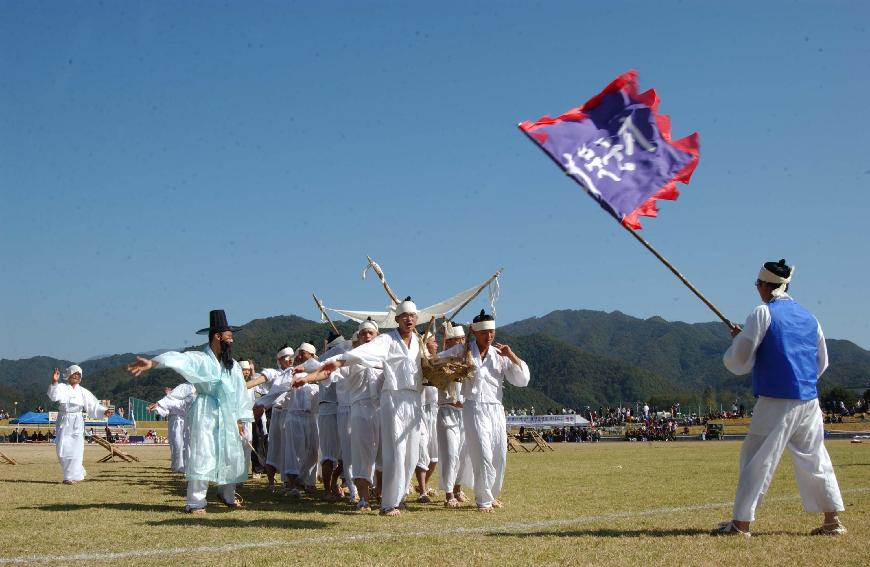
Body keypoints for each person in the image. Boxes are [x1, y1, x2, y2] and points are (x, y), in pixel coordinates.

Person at [712, 260, 846, 537]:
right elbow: (821, 362)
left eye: (757, 284)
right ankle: (832, 521)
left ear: (763, 285)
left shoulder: (762, 313)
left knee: (757, 459)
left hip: (776, 399)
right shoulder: (811, 318)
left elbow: (739, 361)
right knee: (815, 458)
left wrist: (738, 340)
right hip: (808, 399)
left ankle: (741, 525)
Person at [301, 297, 424, 516]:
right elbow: (339, 361)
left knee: (409, 454)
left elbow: (427, 366)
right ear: (396, 319)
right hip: (378, 405)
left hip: (408, 401)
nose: (409, 319)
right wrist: (308, 375)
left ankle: (397, 496)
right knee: (384, 453)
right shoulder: (385, 342)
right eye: (404, 316)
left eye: (412, 316)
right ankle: (381, 502)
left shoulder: (417, 342)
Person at [127, 309, 253, 513]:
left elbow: (239, 393)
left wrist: (239, 419)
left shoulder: (233, 366)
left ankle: (227, 494)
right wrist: (153, 363)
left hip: (228, 412)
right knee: (203, 453)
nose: (232, 341)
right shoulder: (200, 359)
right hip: (206, 410)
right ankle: (196, 502)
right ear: (217, 336)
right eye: (229, 337)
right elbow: (177, 358)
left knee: (230, 452)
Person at [440, 310, 530, 512]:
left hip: (496, 408)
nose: (488, 337)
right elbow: (437, 362)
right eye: (484, 333)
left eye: (492, 332)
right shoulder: (463, 351)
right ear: (474, 332)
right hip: (474, 406)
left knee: (499, 454)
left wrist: (512, 355)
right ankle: (483, 500)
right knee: (482, 453)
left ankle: (491, 494)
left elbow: (522, 380)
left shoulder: (500, 354)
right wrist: (451, 368)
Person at [47, 365, 113, 483]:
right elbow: (53, 396)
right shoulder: (62, 387)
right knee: (62, 447)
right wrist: (54, 381)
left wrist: (104, 411)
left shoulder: (83, 391)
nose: (77, 376)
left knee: (76, 448)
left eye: (79, 374)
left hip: (77, 420)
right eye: (74, 373)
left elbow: (93, 406)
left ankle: (69, 477)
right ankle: (69, 474)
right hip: (64, 418)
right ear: (69, 375)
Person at [437, 322, 473, 507]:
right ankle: (449, 494)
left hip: (463, 413)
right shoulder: (440, 359)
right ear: (449, 341)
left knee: (462, 454)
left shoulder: (468, 361)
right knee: (450, 454)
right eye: (457, 341)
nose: (461, 344)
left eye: (462, 340)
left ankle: (458, 489)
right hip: (446, 411)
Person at [149, 383, 196, 473]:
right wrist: (159, 406)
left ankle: (188, 467)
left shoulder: (192, 391)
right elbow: (170, 407)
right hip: (176, 420)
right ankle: (178, 466)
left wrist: (160, 404)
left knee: (188, 444)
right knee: (176, 444)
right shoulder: (186, 388)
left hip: (189, 419)